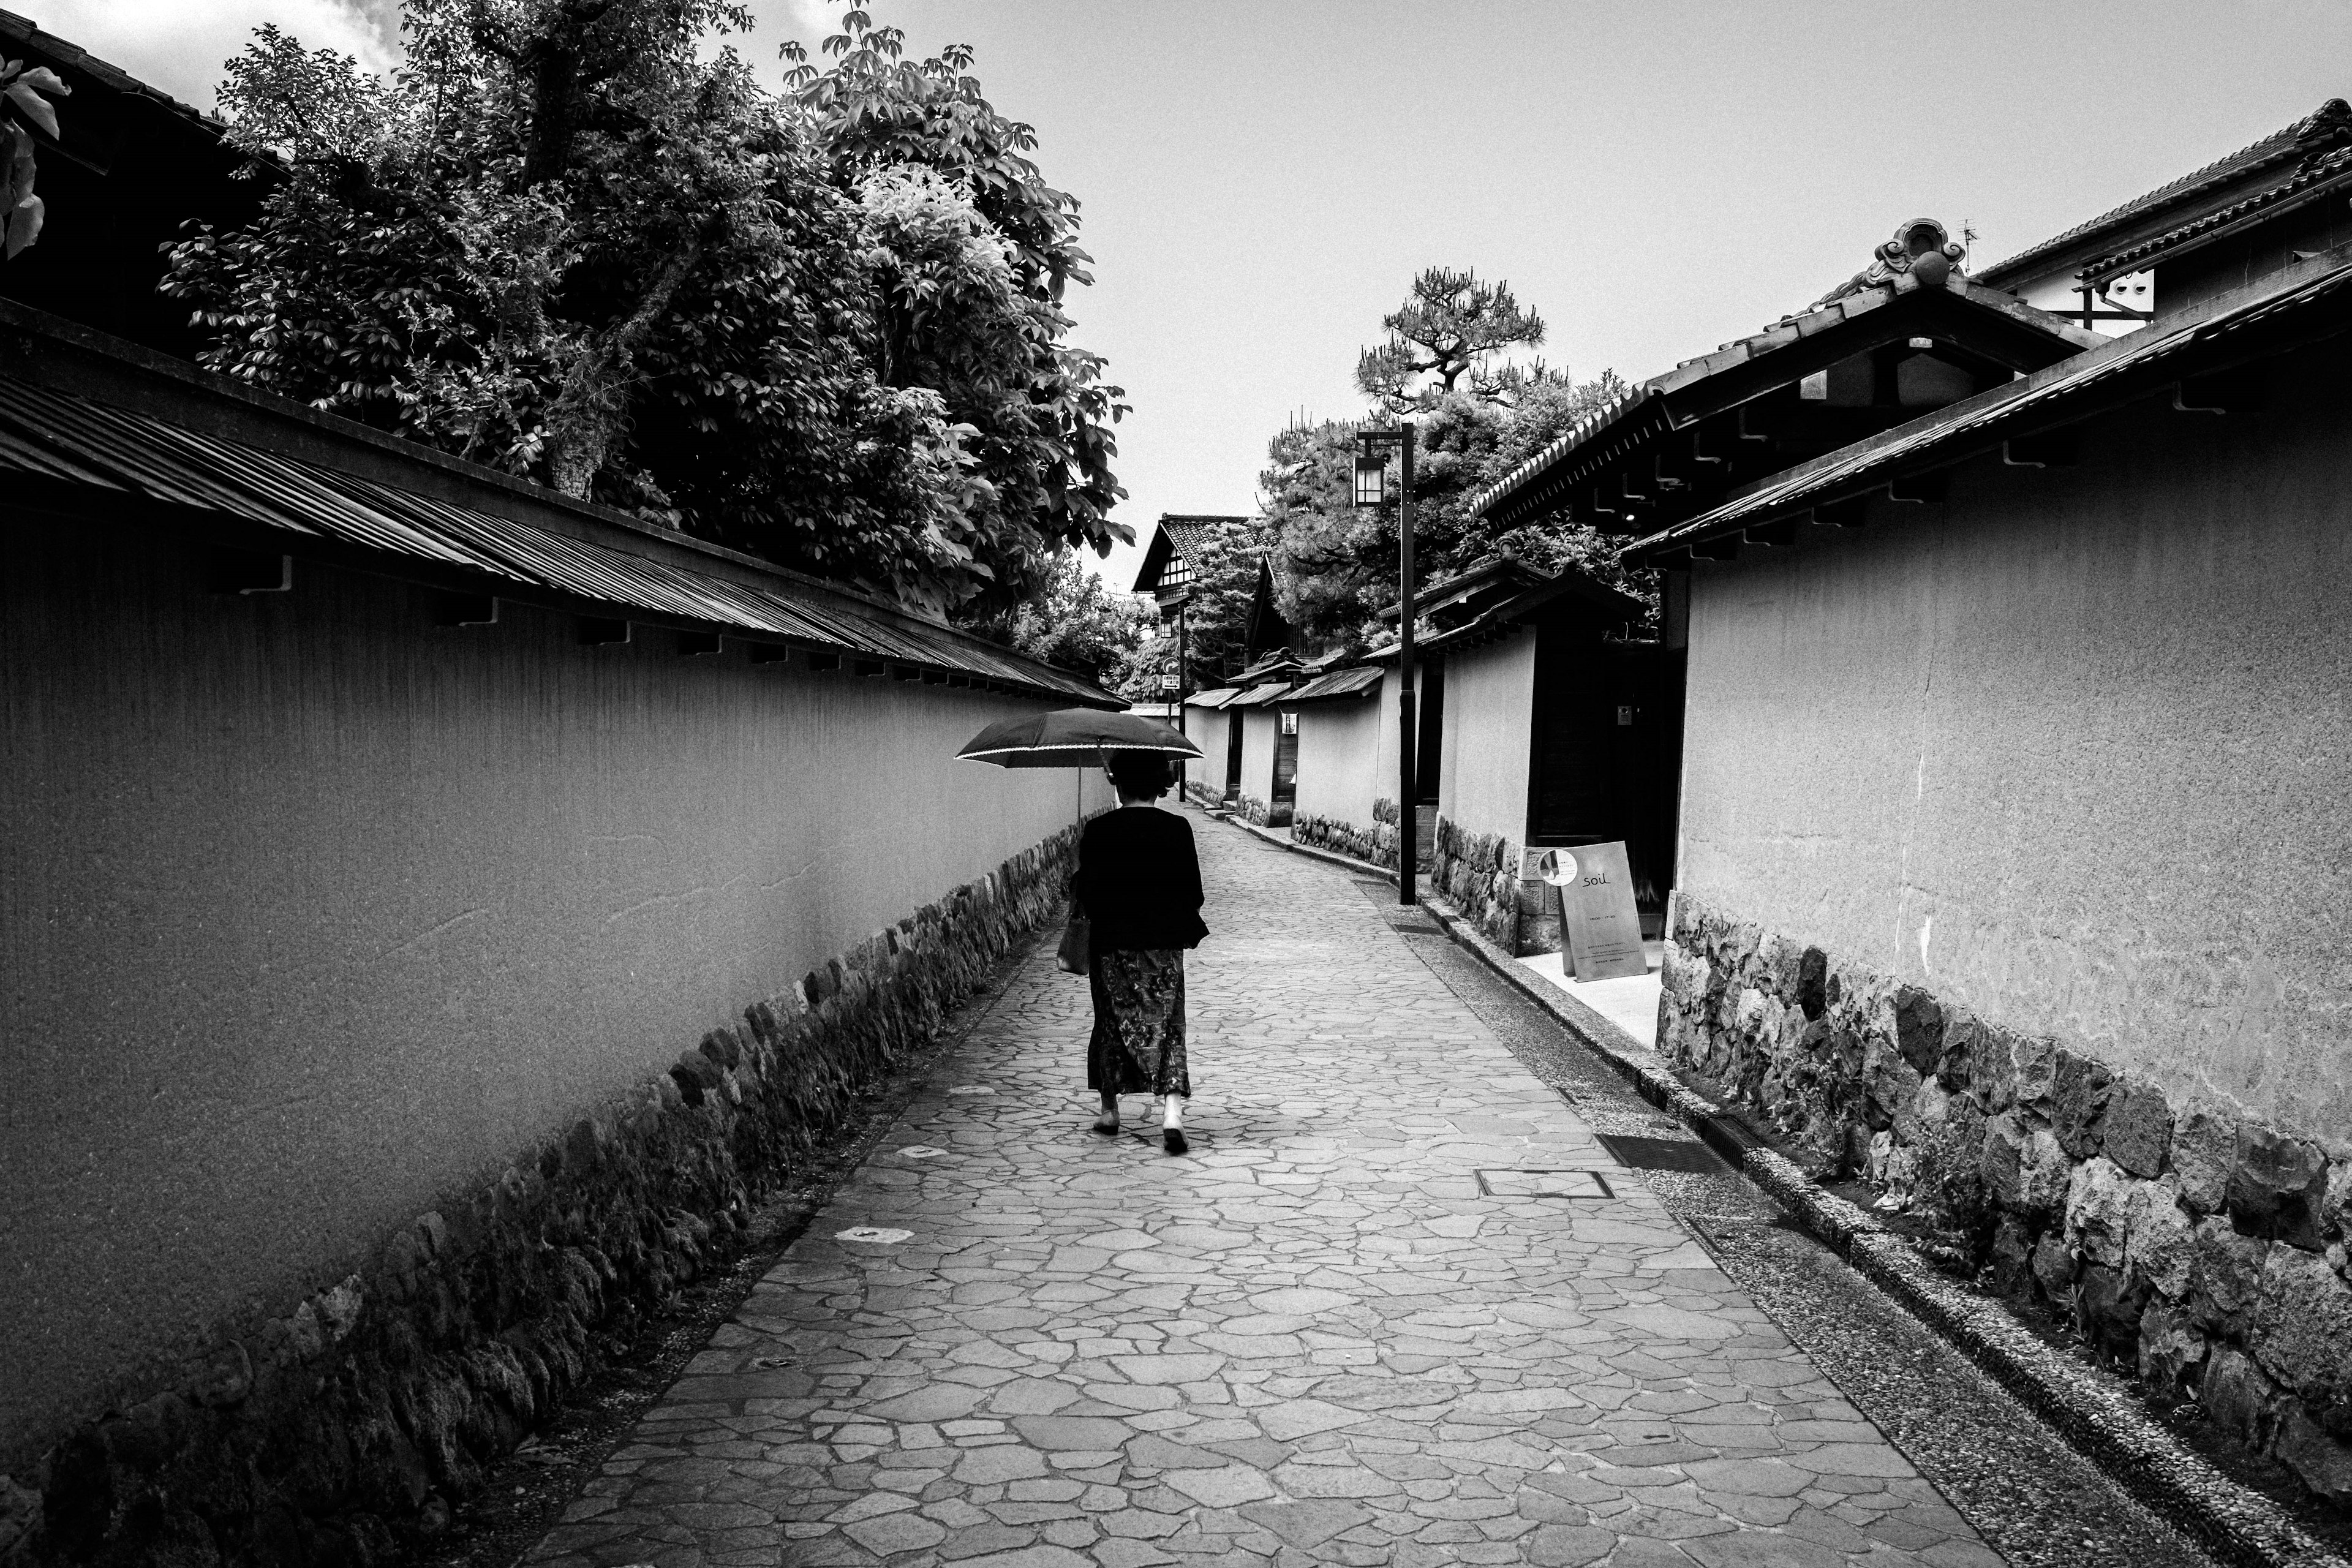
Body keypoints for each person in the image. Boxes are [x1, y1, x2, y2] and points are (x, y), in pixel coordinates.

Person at [1069, 749, 1208, 1153]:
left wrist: (1080, 867)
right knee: (1167, 1026)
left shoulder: (1097, 831)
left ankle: (1110, 1111)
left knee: (1112, 1023)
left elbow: (1089, 897)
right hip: (1163, 947)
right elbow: (1193, 894)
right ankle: (1171, 1112)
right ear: (1160, 784)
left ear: (1119, 782)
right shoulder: (1178, 829)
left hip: (1112, 946)